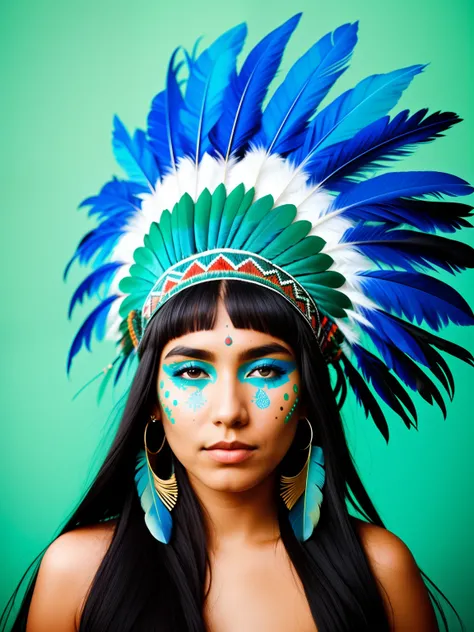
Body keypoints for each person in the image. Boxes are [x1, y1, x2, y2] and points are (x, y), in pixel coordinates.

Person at [2, 12, 472, 632]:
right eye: (193, 369)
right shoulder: (77, 575)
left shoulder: (381, 572)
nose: (229, 409)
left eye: (265, 368)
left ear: (306, 389)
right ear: (151, 401)